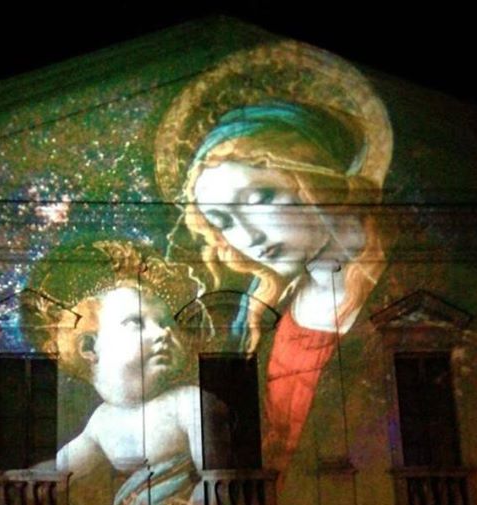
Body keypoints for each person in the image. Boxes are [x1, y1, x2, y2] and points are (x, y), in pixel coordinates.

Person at [155, 44, 392, 477]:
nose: (249, 237)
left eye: (260, 197)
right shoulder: (258, 317)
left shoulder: (406, 286)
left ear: (317, 176)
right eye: (224, 221)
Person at [23, 239, 222, 505]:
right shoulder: (103, 422)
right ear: (89, 347)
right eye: (136, 323)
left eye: (166, 322)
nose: (164, 333)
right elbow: (61, 469)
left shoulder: (189, 403)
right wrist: (20, 481)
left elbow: (218, 478)